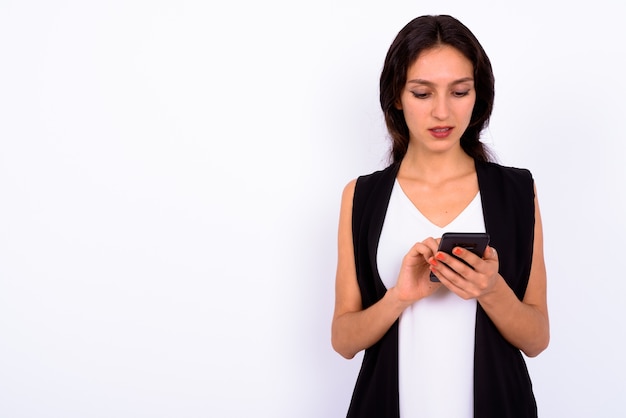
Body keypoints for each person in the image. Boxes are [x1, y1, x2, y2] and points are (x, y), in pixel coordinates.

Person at [331, 15, 549, 418]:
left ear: (477, 95)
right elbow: (344, 340)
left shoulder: (517, 191)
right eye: (422, 92)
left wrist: (491, 289)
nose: (442, 111)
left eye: (460, 91)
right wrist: (399, 297)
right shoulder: (361, 196)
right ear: (396, 95)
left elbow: (537, 339)